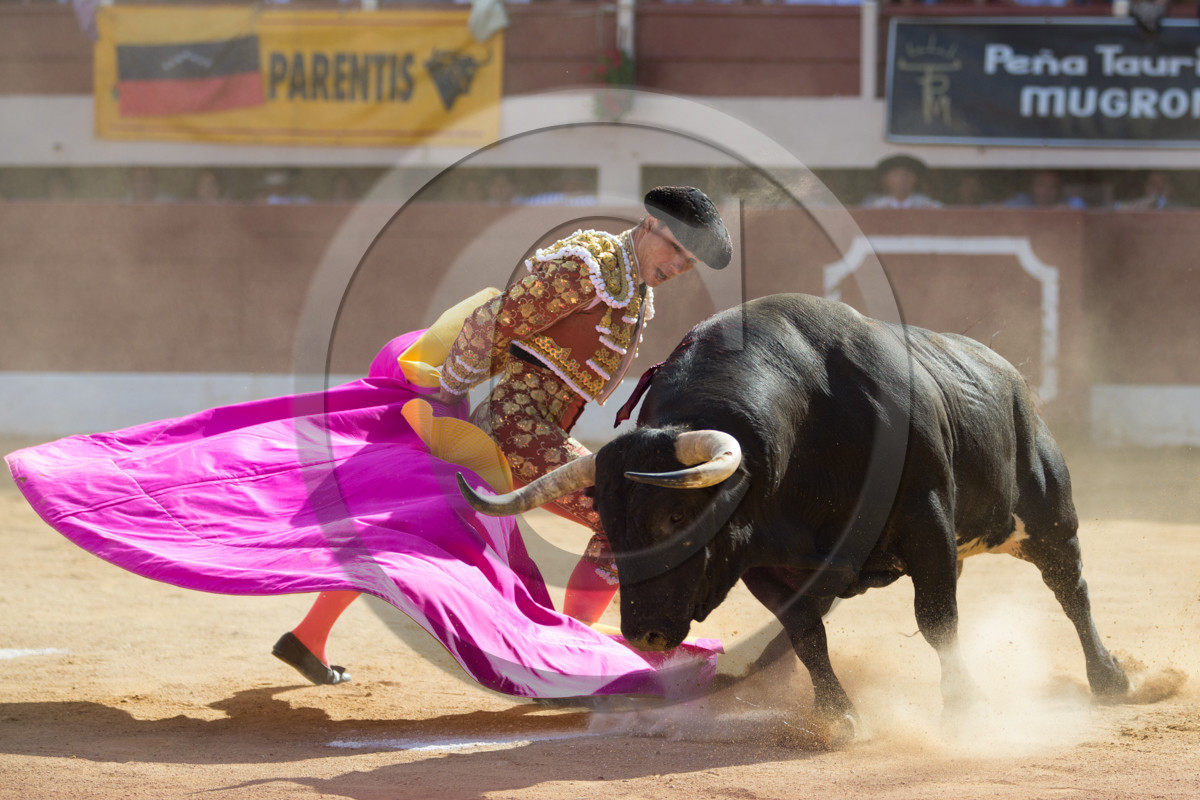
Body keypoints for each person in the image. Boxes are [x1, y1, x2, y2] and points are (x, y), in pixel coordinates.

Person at [273, 186, 734, 685]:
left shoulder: (632, 288)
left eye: (689, 263)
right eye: (676, 250)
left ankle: (308, 637)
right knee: (621, 512)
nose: (677, 266)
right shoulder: (590, 269)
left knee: (415, 526)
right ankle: (572, 651)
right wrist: (444, 393)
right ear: (650, 225)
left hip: (532, 429)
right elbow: (493, 322)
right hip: (516, 430)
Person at [861, 154, 942, 209]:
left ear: (916, 179)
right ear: (885, 179)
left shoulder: (928, 205)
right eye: (896, 175)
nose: (902, 179)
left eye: (907, 175)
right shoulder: (873, 205)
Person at [1004, 169, 1086, 210]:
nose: (1047, 191)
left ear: (1059, 190)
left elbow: (1080, 205)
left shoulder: (1067, 203)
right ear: (1033, 187)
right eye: (1042, 185)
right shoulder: (1023, 201)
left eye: (1053, 186)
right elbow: (1000, 208)